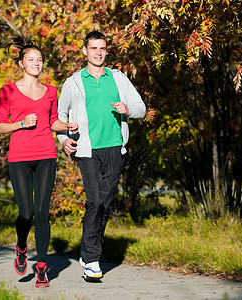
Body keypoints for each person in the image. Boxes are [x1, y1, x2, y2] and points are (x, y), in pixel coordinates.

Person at [56, 31, 146, 281]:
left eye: (102, 48)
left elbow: (141, 108)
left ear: (106, 51)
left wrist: (128, 109)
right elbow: (60, 118)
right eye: (93, 48)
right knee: (95, 201)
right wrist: (64, 140)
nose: (98, 52)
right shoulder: (74, 82)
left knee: (104, 204)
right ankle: (92, 259)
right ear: (84, 51)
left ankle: (87, 252)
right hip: (86, 149)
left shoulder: (117, 78)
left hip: (115, 147)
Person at [0, 34, 78, 288]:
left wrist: (67, 125)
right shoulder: (7, 90)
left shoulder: (51, 91)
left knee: (42, 212)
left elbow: (53, 122)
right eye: (31, 59)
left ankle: (41, 267)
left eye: (39, 60)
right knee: (26, 213)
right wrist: (21, 124)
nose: (36, 63)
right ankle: (21, 246)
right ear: (21, 63)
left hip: (45, 155)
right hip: (19, 157)